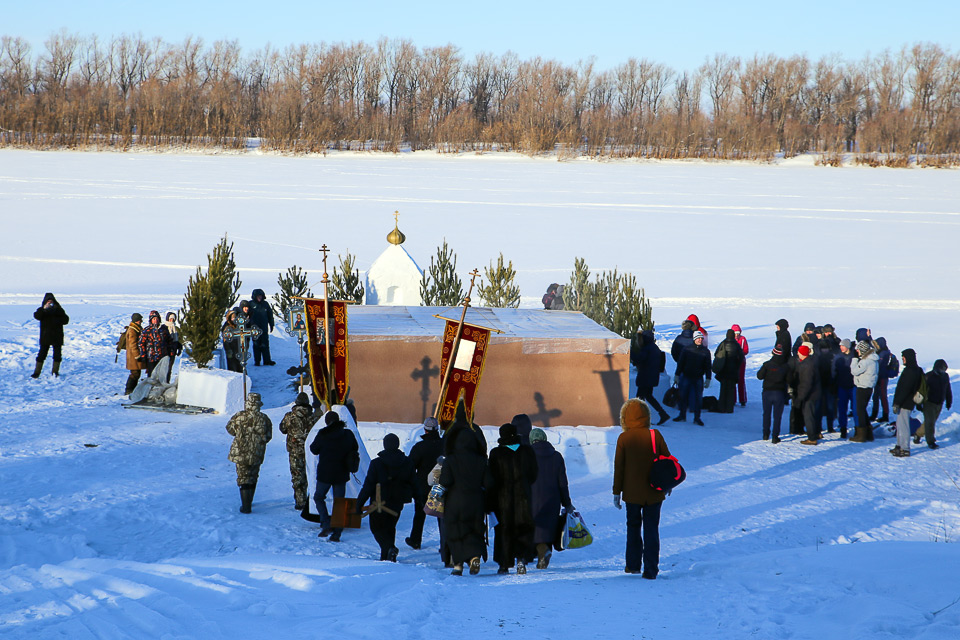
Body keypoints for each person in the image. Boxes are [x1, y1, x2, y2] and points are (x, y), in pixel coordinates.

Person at [613, 398, 669, 579]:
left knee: (633, 527)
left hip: (632, 493)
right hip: (654, 492)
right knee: (652, 529)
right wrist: (667, 484)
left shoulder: (624, 438)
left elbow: (619, 468)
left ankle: (633, 565)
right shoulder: (655, 435)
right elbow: (667, 460)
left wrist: (616, 492)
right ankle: (651, 569)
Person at [438, 413, 492, 576]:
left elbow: (445, 481)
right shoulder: (481, 461)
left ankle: (458, 565)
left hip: (455, 500)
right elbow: (488, 482)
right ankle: (474, 556)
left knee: (455, 529)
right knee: (475, 529)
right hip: (476, 499)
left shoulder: (450, 460)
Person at [355, 433, 416, 562]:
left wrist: (359, 504)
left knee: (377, 529)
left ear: (385, 445)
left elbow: (368, 486)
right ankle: (387, 558)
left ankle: (389, 549)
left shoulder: (377, 463)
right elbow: (414, 483)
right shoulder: (407, 462)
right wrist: (419, 500)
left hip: (378, 503)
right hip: (397, 502)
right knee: (390, 528)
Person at [488, 423, 538, 575]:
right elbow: (534, 474)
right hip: (523, 497)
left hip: (503, 499)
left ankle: (504, 564)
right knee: (522, 528)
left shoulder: (496, 453)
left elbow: (492, 478)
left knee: (504, 530)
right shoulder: (527, 451)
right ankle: (521, 559)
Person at [309, 410, 360, 541]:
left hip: (325, 473)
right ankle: (337, 533)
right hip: (341, 473)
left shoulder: (323, 434)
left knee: (319, 497)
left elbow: (313, 449)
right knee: (340, 502)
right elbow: (355, 448)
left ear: (327, 422)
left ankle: (326, 523)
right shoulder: (347, 434)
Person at [529, 428, 572, 569]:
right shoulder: (557, 456)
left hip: (532, 497)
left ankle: (541, 550)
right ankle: (545, 552)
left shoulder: (527, 456)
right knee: (548, 526)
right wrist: (567, 503)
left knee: (535, 526)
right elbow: (563, 483)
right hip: (553, 499)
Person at [225, 393, 273, 513]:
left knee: (243, 477)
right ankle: (249, 501)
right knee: (253, 476)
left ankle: (245, 506)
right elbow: (268, 436)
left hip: (240, 452)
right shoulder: (264, 418)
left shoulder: (239, 416)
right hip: (257, 452)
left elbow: (230, 429)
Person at [405, 417, 444, 551]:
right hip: (440, 485)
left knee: (419, 514)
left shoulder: (420, 447)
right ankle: (444, 544)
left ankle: (415, 540)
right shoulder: (444, 445)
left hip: (422, 486)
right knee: (441, 517)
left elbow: (410, 466)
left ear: (425, 430)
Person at [279, 392, 314, 510]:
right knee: (310, 475)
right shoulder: (313, 416)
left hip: (294, 451)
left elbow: (282, 429)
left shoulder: (289, 416)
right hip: (310, 451)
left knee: (297, 475)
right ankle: (311, 501)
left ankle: (300, 501)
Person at [890, 348, 924, 458]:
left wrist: (897, 403)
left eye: (904, 357)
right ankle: (899, 446)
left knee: (903, 426)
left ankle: (904, 448)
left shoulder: (910, 371)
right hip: (908, 401)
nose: (903, 360)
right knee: (900, 424)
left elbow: (905, 389)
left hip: (906, 402)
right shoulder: (916, 370)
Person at [631, 328, 670, 425]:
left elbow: (639, 359)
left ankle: (639, 417)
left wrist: (630, 352)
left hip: (645, 377)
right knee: (647, 396)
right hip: (651, 377)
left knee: (640, 397)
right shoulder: (654, 347)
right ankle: (662, 414)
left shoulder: (647, 348)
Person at [673, 330, 712, 426]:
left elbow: (708, 366)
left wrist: (708, 378)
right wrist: (677, 375)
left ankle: (697, 418)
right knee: (683, 396)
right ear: (694, 339)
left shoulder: (706, 351)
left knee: (698, 398)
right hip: (686, 376)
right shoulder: (686, 349)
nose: (700, 340)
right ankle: (682, 415)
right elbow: (681, 363)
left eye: (701, 338)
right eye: (698, 338)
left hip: (698, 377)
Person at [31, 292, 69, 378]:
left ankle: (55, 372)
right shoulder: (41, 310)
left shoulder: (59, 310)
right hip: (46, 337)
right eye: (48, 301)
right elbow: (37, 316)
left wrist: (57, 312)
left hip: (57, 336)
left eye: (51, 301)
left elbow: (66, 320)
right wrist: (44, 309)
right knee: (42, 355)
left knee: (57, 355)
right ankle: (36, 372)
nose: (50, 303)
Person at [757, 346, 790, 443]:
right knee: (777, 415)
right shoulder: (785, 367)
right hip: (779, 393)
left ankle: (765, 434)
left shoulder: (767, 365)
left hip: (767, 392)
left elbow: (759, 376)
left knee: (766, 414)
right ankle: (775, 436)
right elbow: (790, 380)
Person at [916, 359, 951, 449]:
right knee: (930, 423)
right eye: (941, 369)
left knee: (930, 422)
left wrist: (949, 401)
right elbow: (921, 390)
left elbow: (947, 389)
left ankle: (918, 434)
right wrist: (918, 403)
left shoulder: (945, 376)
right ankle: (931, 441)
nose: (943, 372)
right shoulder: (928, 376)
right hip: (929, 403)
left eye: (944, 370)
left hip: (939, 403)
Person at [850, 341, 880, 442]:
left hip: (862, 387)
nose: (857, 352)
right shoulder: (873, 359)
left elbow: (854, 371)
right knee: (863, 409)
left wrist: (854, 359)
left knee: (860, 410)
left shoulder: (866, 361)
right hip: (869, 387)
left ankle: (861, 435)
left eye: (858, 350)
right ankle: (868, 433)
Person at [796, 344, 822, 445]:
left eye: (799, 352)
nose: (797, 353)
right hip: (816, 393)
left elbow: (806, 383)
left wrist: (801, 397)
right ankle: (816, 432)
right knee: (814, 414)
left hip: (810, 395)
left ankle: (812, 438)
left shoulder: (806, 365)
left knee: (808, 416)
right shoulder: (812, 361)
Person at [714, 329, 744, 413]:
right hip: (733, 371)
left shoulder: (723, 343)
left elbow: (716, 354)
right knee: (731, 390)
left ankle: (721, 407)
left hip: (723, 370)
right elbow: (741, 357)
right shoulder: (736, 345)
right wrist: (737, 365)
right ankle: (729, 408)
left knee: (723, 389)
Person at [833, 339, 857, 439]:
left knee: (855, 409)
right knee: (842, 409)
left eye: (843, 346)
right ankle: (843, 428)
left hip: (853, 386)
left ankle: (858, 428)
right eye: (840, 346)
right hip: (841, 386)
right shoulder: (838, 357)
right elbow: (834, 371)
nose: (841, 347)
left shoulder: (854, 356)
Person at [138, 310, 171, 377]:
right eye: (153, 319)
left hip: (162, 356)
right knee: (151, 376)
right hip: (151, 357)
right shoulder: (147, 330)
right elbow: (141, 343)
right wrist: (143, 355)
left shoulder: (163, 329)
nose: (155, 320)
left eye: (157, 318)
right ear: (151, 320)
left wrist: (171, 350)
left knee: (162, 375)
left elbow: (169, 340)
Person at [248, 289, 276, 366]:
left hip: (264, 328)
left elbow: (270, 315)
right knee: (256, 345)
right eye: (258, 296)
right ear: (254, 296)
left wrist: (271, 324)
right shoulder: (250, 304)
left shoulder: (265, 304)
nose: (259, 297)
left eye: (260, 296)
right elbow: (245, 315)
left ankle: (267, 360)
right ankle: (257, 361)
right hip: (254, 329)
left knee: (265, 345)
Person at [871, 337, 895, 423]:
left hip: (882, 377)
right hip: (880, 377)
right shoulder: (883, 352)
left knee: (882, 396)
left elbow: (879, 364)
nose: (875, 346)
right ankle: (877, 414)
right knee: (877, 396)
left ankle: (884, 415)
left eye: (877, 345)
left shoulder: (883, 354)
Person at [123, 313, 146, 395]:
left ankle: (132, 389)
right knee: (134, 373)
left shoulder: (136, 328)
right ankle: (129, 390)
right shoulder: (133, 330)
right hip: (133, 356)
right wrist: (137, 355)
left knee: (136, 373)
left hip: (133, 356)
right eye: (139, 320)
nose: (141, 321)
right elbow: (133, 344)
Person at [732, 324, 750, 407]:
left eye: (738, 333)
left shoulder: (743, 339)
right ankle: (733, 399)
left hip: (741, 361)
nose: (736, 335)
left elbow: (746, 349)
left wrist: (740, 353)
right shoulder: (731, 339)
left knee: (741, 380)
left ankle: (742, 399)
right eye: (735, 333)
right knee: (733, 380)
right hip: (733, 361)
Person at [221, 308, 244, 373]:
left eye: (235, 318)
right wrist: (228, 350)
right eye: (232, 318)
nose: (234, 319)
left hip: (238, 349)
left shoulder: (237, 326)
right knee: (232, 367)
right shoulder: (227, 327)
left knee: (240, 366)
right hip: (231, 349)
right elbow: (225, 340)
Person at [162, 312, 182, 382]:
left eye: (173, 319)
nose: (172, 320)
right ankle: (163, 382)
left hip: (173, 351)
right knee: (165, 369)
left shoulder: (174, 328)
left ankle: (167, 382)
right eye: (170, 319)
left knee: (169, 368)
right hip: (166, 352)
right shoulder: (164, 327)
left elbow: (175, 340)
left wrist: (179, 346)